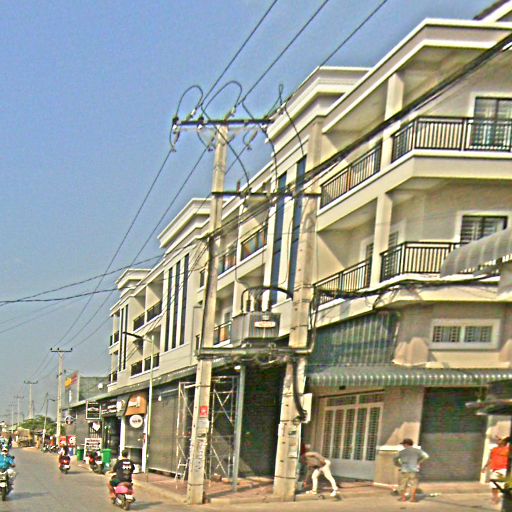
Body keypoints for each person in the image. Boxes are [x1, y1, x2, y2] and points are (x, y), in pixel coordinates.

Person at [393, 438, 429, 503]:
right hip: (414, 469)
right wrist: (418, 462)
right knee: (413, 484)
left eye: (403, 444)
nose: (403, 445)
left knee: (403, 484)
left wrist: (399, 465)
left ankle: (403, 498)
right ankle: (412, 498)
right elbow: (426, 456)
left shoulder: (401, 452)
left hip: (404, 470)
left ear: (406, 444)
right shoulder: (417, 451)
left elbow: (395, 459)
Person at [482, 436, 510, 504]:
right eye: (498, 440)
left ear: (504, 442)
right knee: (493, 485)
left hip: (503, 469)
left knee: (500, 485)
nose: (498, 441)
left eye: (500, 440)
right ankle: (495, 498)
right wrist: (485, 467)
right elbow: (490, 459)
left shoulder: (508, 450)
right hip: (494, 469)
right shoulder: (494, 449)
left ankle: (498, 497)